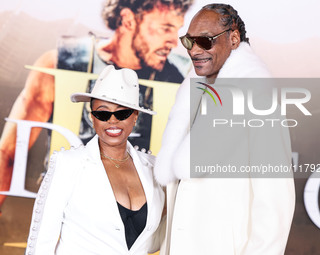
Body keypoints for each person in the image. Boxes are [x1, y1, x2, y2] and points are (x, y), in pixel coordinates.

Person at [0, 0, 193, 213]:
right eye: (166, 28)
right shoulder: (62, 63)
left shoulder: (183, 79)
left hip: (139, 226)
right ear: (128, 19)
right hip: (67, 221)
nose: (174, 41)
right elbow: (8, 153)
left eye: (176, 29)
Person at [154, 3, 295, 255]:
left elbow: (275, 202)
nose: (195, 50)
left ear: (234, 38)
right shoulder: (191, 94)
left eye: (205, 41)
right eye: (188, 42)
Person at [25, 65, 165, 255]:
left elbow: (152, 241)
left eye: (122, 113)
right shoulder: (69, 164)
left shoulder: (154, 169)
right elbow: (42, 241)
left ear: (135, 116)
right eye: (103, 113)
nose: (112, 121)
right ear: (93, 118)